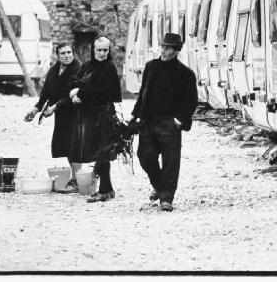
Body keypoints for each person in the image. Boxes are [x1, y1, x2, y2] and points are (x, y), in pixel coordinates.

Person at [131, 32, 198, 211]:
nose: (163, 50)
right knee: (145, 156)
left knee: (170, 161)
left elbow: (191, 101)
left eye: (168, 47)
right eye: (162, 46)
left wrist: (179, 120)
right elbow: (143, 92)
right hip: (148, 121)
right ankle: (159, 185)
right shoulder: (151, 66)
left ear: (176, 51)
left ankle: (166, 197)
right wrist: (135, 114)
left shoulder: (186, 74)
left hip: (169, 123)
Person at [68, 35, 122, 202]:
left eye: (105, 50)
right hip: (87, 115)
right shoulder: (87, 65)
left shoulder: (109, 68)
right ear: (93, 50)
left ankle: (105, 190)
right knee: (97, 152)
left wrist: (80, 93)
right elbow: (74, 82)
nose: (102, 53)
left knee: (103, 152)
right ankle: (109, 189)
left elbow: (102, 92)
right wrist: (73, 94)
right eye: (99, 50)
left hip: (103, 114)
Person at [25, 42, 82, 190]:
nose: (67, 56)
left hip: (76, 112)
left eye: (69, 52)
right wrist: (36, 108)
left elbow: (73, 94)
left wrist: (55, 107)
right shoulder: (54, 69)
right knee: (64, 146)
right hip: (62, 115)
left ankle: (77, 180)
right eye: (63, 53)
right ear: (58, 55)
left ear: (73, 53)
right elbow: (46, 93)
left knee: (74, 146)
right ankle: (75, 179)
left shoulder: (78, 68)